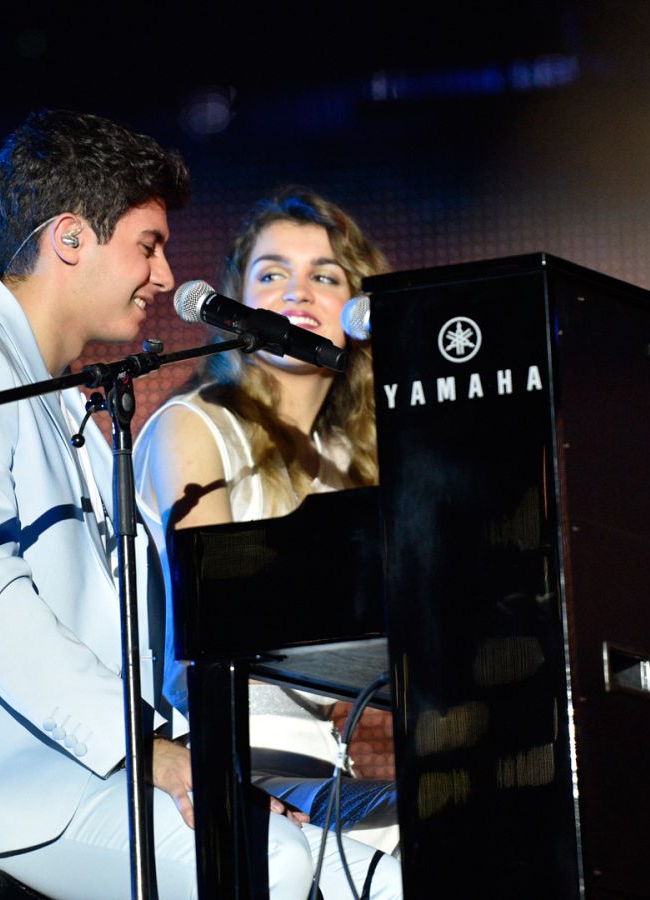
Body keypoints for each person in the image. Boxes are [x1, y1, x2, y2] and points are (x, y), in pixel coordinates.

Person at [0, 111, 375, 899]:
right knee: (275, 866)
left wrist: (203, 767)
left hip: (74, 773)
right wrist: (155, 755)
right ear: (71, 238)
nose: (163, 277)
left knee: (367, 872)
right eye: (148, 246)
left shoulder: (77, 405)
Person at [136, 190, 400, 857]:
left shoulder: (360, 462)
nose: (297, 291)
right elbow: (223, 617)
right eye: (272, 273)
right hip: (220, 751)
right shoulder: (192, 428)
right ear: (239, 302)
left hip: (325, 763)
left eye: (325, 275)